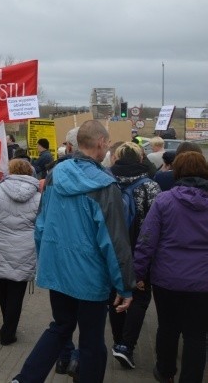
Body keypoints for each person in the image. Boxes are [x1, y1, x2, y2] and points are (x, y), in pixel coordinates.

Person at [12, 120, 135, 383]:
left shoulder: (56, 173)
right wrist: (124, 285)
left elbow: (41, 225)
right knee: (91, 341)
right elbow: (113, 242)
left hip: (58, 269)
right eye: (109, 142)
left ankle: (24, 379)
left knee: (60, 328)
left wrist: (46, 259)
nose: (109, 146)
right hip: (90, 276)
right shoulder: (105, 184)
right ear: (101, 143)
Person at [134, 151, 208, 383]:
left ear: (177, 171)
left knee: (168, 327)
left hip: (167, 279)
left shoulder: (164, 201)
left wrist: (138, 272)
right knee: (197, 335)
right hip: (202, 281)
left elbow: (146, 240)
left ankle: (165, 372)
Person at [106, 141, 161, 369]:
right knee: (140, 296)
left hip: (112, 251)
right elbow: (159, 225)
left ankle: (119, 340)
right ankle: (127, 345)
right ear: (141, 160)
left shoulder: (106, 182)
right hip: (141, 252)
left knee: (115, 294)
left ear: (116, 159)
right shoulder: (150, 187)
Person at [0, 158, 40, 345]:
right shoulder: (38, 197)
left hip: (0, 246)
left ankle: (7, 327)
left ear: (11, 171)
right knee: (17, 292)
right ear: (29, 172)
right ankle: (8, 331)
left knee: (3, 287)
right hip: (26, 248)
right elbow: (43, 223)